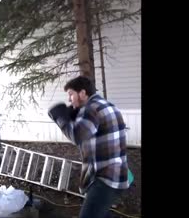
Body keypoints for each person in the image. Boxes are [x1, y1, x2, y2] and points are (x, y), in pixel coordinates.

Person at [48, 76, 131, 218]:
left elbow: (77, 137)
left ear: (82, 93)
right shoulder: (107, 105)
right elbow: (93, 131)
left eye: (71, 94)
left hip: (105, 178)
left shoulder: (91, 109)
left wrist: (60, 117)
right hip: (119, 173)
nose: (69, 100)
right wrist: (74, 116)